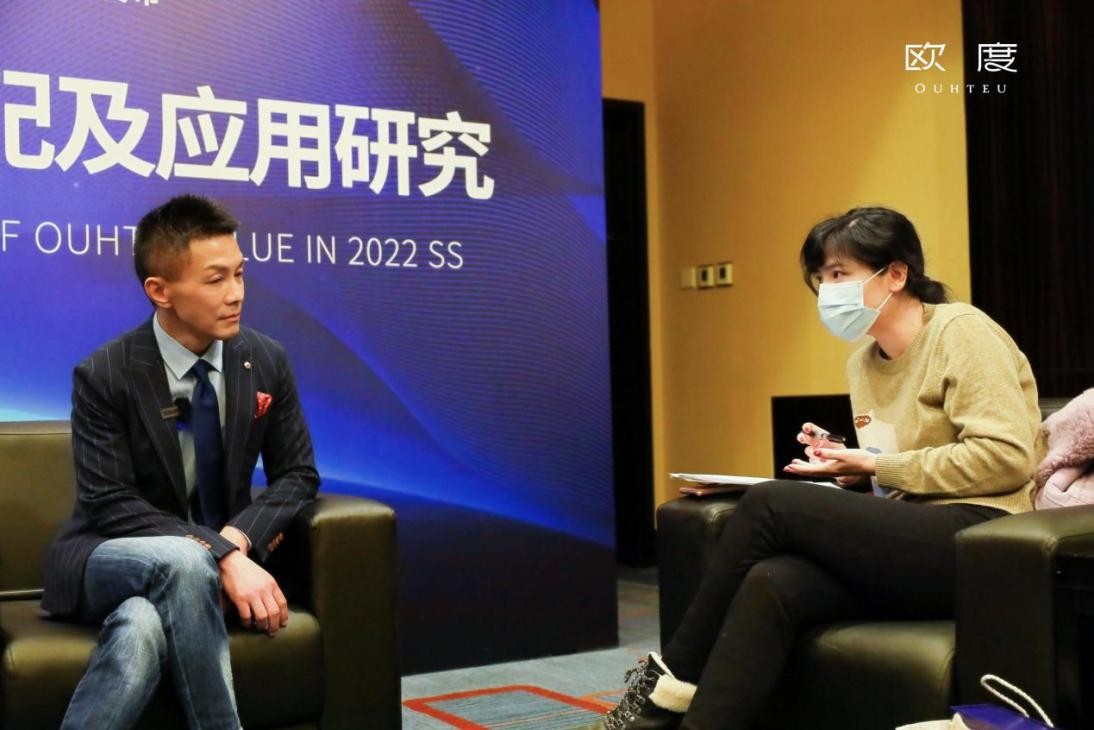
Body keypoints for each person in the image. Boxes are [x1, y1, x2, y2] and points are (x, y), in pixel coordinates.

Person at [598, 206, 1042, 729]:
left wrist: (879, 464)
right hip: (915, 537)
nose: (827, 291)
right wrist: (851, 468)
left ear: (896, 274)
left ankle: (662, 688)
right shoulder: (863, 362)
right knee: (773, 582)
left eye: (839, 274)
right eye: (820, 279)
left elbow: (1006, 458)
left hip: (983, 537)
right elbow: (899, 468)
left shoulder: (961, 332)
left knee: (769, 504)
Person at [41, 194, 320, 729]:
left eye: (239, 274)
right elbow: (110, 503)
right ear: (160, 291)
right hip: (107, 555)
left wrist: (238, 539)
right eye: (216, 280)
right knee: (185, 562)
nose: (236, 293)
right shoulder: (106, 374)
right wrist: (220, 555)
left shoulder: (265, 359)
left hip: (203, 566)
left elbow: (298, 474)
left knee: (141, 625)